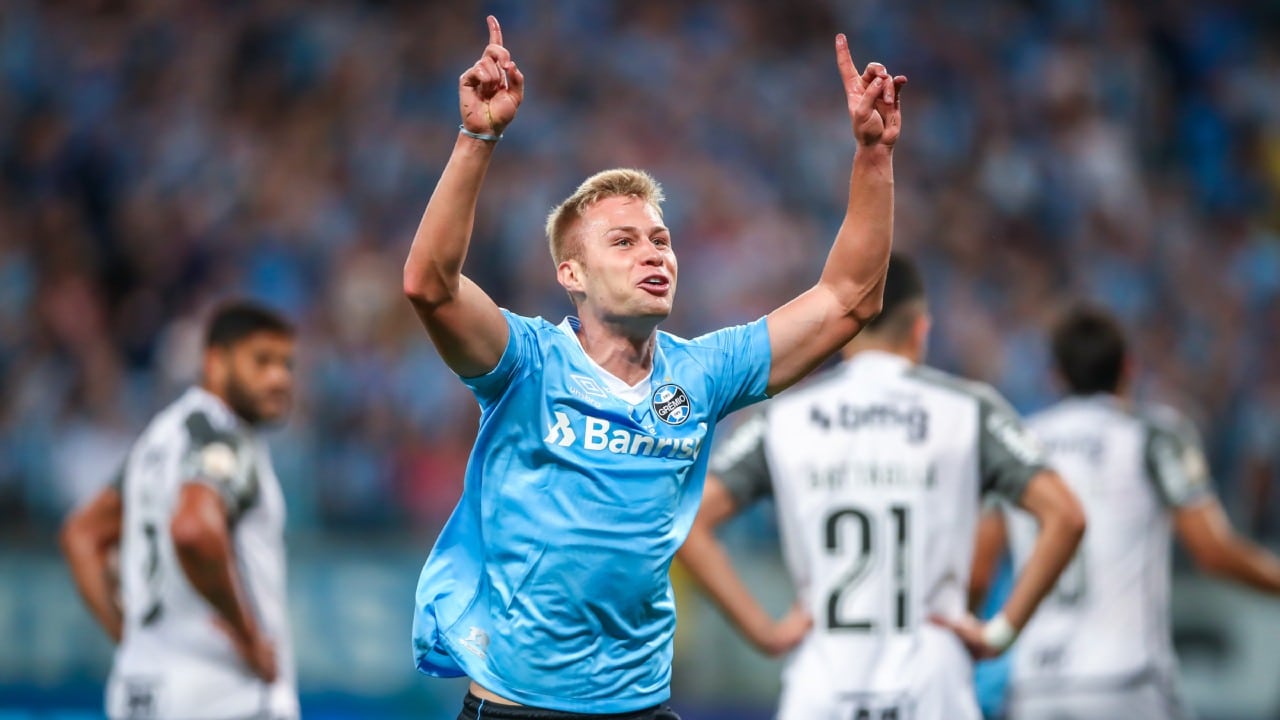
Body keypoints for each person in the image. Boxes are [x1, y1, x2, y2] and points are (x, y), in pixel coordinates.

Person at [402, 14, 906, 720]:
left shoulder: (702, 374)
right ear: (570, 274)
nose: (654, 254)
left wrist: (874, 157)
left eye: (661, 239)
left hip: (642, 707)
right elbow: (431, 284)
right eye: (624, 241)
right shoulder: (527, 362)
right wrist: (477, 137)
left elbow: (850, 301)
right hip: (515, 706)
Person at [676, 253, 1086, 720]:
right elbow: (1066, 515)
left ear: (844, 327)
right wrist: (1001, 632)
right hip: (932, 686)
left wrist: (764, 632)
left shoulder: (781, 418)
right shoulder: (969, 410)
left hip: (823, 684)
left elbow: (689, 522)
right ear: (920, 329)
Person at [972, 303, 1280, 719]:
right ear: (1129, 368)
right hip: (1126, 681)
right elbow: (1212, 550)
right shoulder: (1154, 436)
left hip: (1036, 686)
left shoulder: (1018, 441)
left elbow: (978, 567)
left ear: (1055, 375)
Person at [60, 300, 298, 720]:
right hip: (226, 693)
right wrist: (247, 635)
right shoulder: (226, 437)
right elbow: (194, 529)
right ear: (215, 362)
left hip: (139, 692)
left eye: (286, 364)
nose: (278, 378)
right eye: (261, 361)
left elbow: (81, 535)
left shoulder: (159, 438)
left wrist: (131, 639)